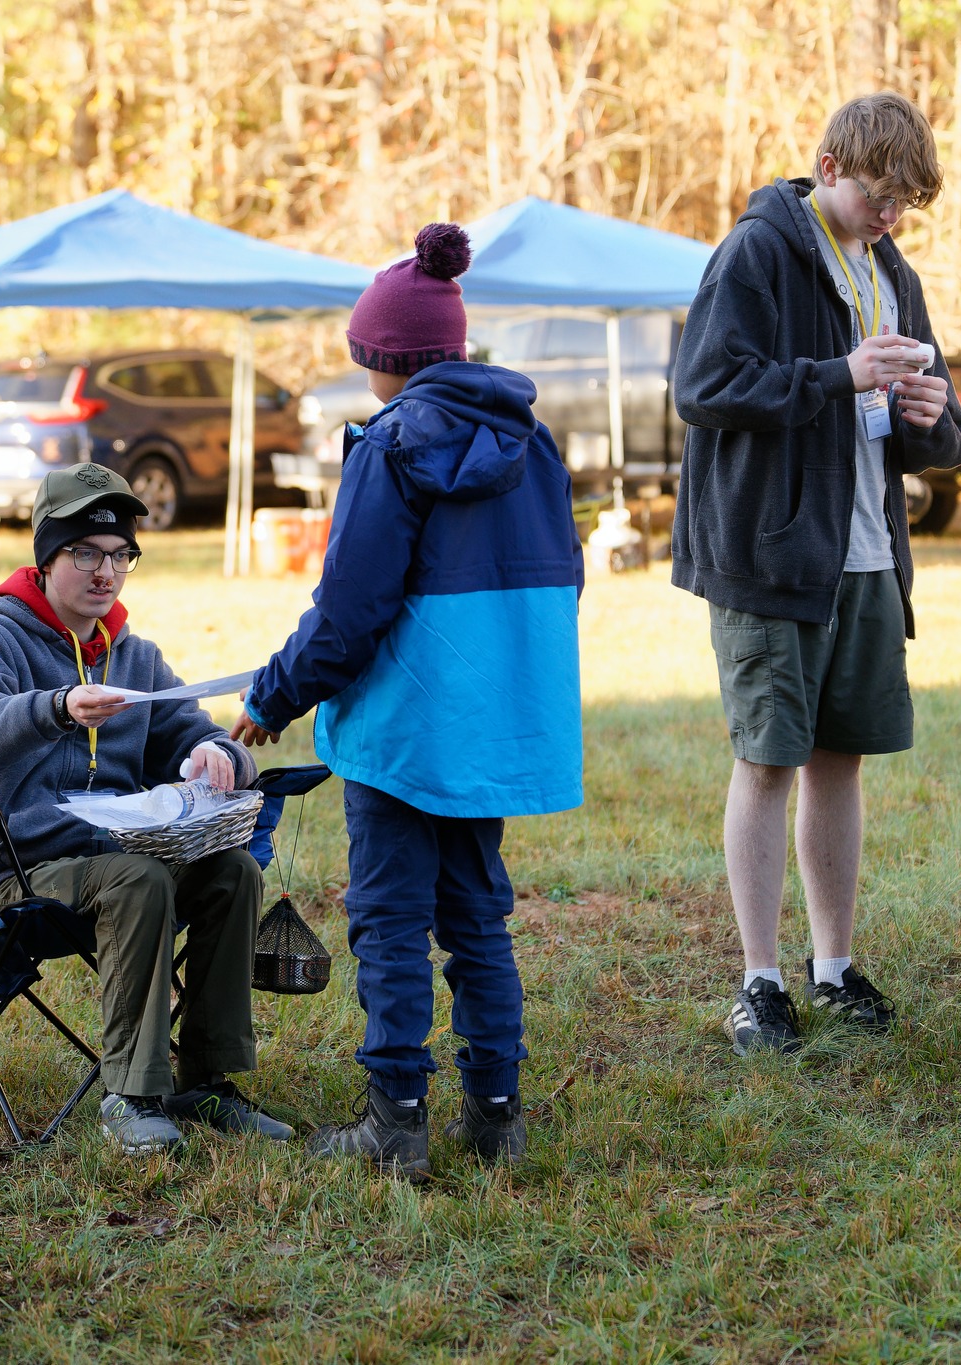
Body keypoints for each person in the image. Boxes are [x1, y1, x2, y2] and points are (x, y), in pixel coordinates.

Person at [232, 223, 584, 1183]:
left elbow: (348, 611)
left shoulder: (388, 446)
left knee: (388, 916)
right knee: (477, 913)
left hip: (401, 729)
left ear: (383, 357)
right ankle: (496, 1114)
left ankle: (397, 1119)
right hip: (486, 727)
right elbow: (563, 580)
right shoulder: (534, 441)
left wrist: (273, 695)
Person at [668, 92, 961, 1056]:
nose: (891, 217)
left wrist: (932, 415)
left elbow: (941, 437)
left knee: (841, 758)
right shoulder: (758, 251)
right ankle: (760, 982)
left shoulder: (894, 272)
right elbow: (703, 388)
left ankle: (831, 968)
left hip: (870, 556)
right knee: (768, 761)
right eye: (882, 195)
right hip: (769, 555)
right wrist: (840, 374)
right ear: (832, 163)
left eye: (906, 205)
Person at [0, 463, 287, 1158]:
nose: (106, 572)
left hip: (119, 854)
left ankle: (205, 1079)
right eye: (86, 553)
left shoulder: (132, 655)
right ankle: (129, 1093)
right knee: (138, 879)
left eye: (120, 554)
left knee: (231, 873)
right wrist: (56, 706)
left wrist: (222, 754)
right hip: (17, 868)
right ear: (46, 558)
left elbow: (190, 728)